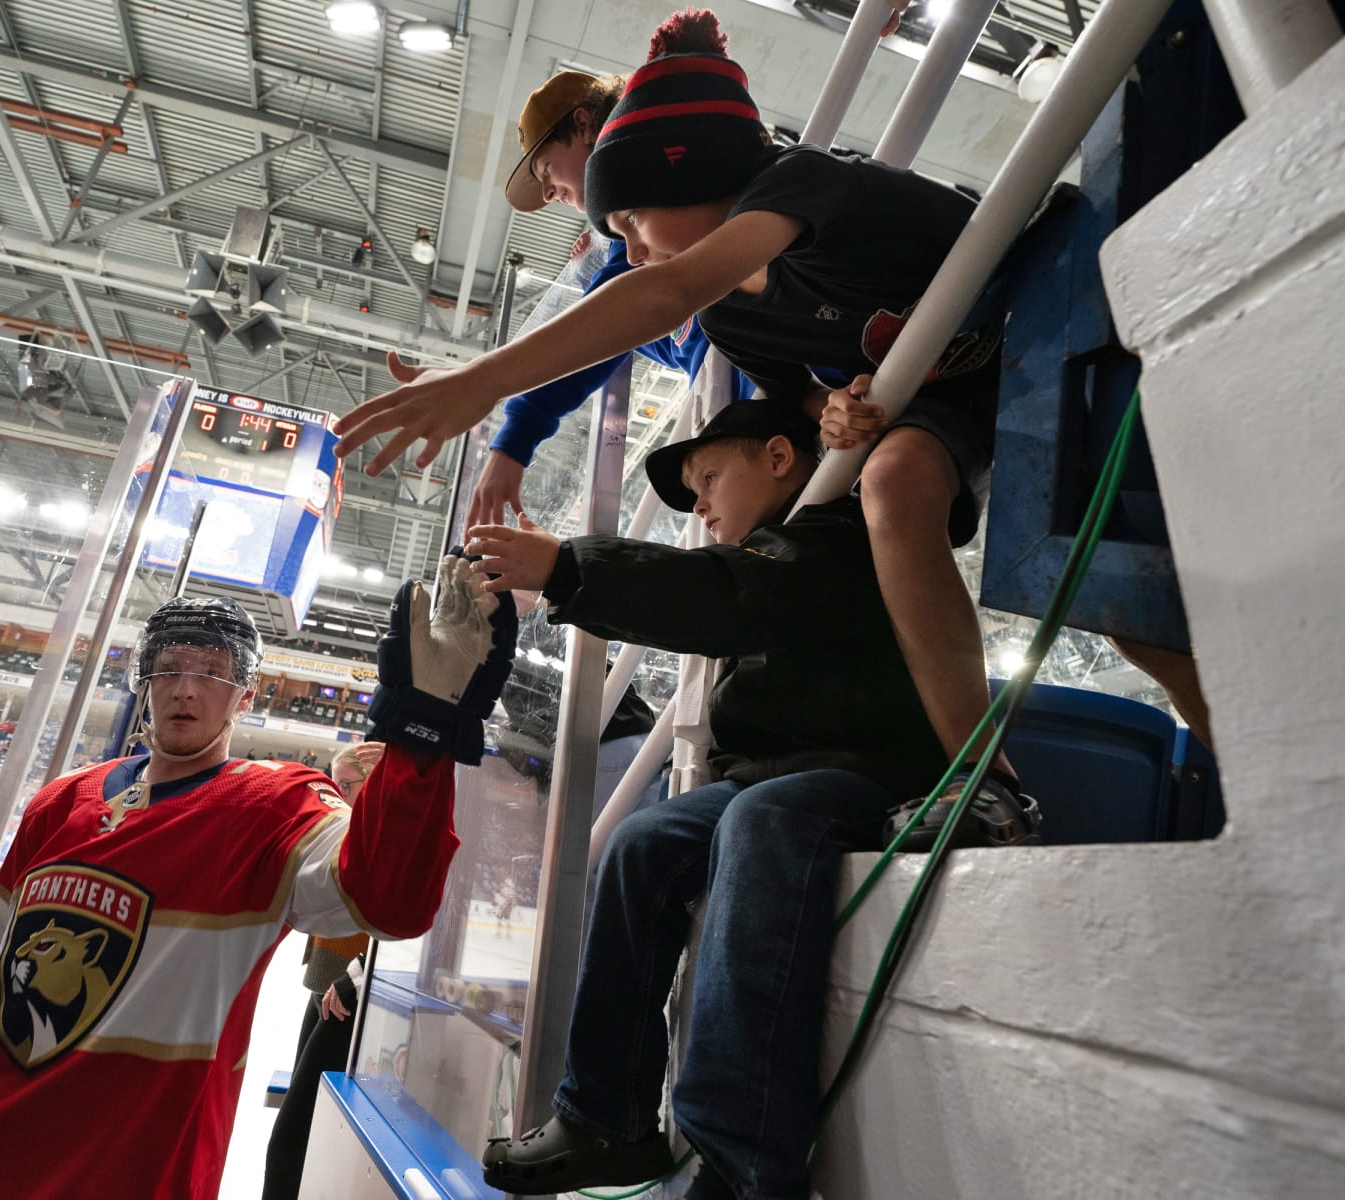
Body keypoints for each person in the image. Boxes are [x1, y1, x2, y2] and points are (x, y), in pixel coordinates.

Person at [334, 8, 1029, 846]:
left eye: (628, 222)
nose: (626, 251)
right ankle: (986, 782)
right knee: (889, 476)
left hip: (1039, 331)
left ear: (687, 169)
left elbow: (659, 297)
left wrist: (488, 383)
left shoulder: (806, 181)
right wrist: (835, 409)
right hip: (954, 404)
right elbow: (801, 408)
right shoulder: (736, 324)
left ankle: (979, 774)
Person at [463, 400, 1037, 1199]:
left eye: (706, 477)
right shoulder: (774, 551)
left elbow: (730, 596)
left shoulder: (837, 535)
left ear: (778, 457)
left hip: (869, 771)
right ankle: (606, 1119)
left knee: (759, 819)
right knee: (640, 844)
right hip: (772, 776)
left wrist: (569, 567)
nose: (698, 506)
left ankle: (740, 1165)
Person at [0, 561, 517, 1200]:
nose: (185, 689)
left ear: (245, 692)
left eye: (210, 671)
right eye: (167, 669)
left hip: (131, 1173)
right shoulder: (61, 803)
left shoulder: (276, 806)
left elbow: (388, 903)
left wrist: (418, 741)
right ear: (141, 681)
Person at [458, 66, 755, 529]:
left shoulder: (668, 193)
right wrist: (593, 277)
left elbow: (619, 325)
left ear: (583, 125)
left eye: (546, 170)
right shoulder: (630, 248)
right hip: (748, 409)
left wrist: (517, 435)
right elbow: (645, 330)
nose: (550, 193)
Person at [261, 740, 385, 1200]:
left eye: (346, 786)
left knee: (300, 1116)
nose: (337, 794)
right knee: (301, 1095)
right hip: (332, 979)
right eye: (333, 785)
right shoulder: (345, 830)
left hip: (351, 986)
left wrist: (355, 972)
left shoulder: (381, 837)